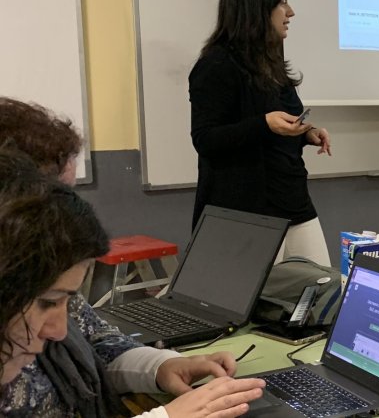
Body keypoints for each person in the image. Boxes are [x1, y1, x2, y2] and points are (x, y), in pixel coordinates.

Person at [0, 100, 258, 416]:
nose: (69, 216)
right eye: (57, 200)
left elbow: (100, 343)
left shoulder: (47, 285)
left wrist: (162, 367)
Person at [189, 0, 333, 265]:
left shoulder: (272, 63)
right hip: (248, 213)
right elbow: (206, 139)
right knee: (255, 294)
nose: (290, 12)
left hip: (293, 201)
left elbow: (284, 123)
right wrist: (263, 124)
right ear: (256, 9)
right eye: (282, 3)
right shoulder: (216, 65)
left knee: (323, 285)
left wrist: (307, 133)